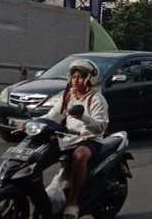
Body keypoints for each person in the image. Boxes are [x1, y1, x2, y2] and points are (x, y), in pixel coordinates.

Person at [39, 59, 109, 219]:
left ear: (89, 79)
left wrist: (83, 117)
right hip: (68, 137)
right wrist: (30, 123)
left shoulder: (96, 99)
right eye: (73, 76)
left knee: (80, 156)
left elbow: (100, 127)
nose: (75, 80)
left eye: (80, 77)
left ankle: (72, 202)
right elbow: (53, 116)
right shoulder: (68, 96)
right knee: (42, 150)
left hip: (90, 139)